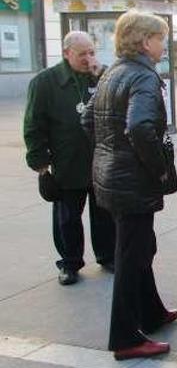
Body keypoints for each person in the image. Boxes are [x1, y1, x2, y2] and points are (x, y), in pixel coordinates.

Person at [81, 10, 177, 360]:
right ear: (144, 41)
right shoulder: (142, 77)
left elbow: (87, 118)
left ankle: (151, 312)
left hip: (111, 177)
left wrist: (110, 150)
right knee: (131, 255)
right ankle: (125, 338)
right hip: (132, 181)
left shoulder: (113, 72)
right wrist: (158, 168)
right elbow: (140, 128)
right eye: (160, 38)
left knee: (140, 248)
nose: (163, 45)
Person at [23, 31, 115, 285]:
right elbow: (33, 125)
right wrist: (41, 165)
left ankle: (107, 255)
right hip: (66, 163)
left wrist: (102, 75)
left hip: (100, 161)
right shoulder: (45, 82)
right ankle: (70, 262)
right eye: (82, 54)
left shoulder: (102, 75)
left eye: (92, 52)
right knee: (67, 218)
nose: (88, 59)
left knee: (104, 214)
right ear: (66, 53)